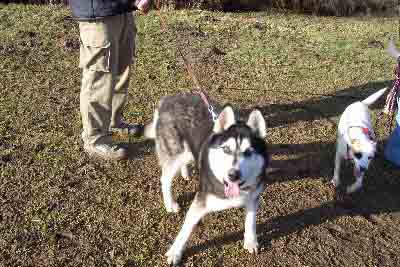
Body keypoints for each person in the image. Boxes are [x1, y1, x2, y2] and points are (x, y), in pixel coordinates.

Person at [69, 0, 151, 160]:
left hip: (122, 9)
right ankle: (95, 139)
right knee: (99, 78)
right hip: (97, 11)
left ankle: (114, 122)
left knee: (120, 69)